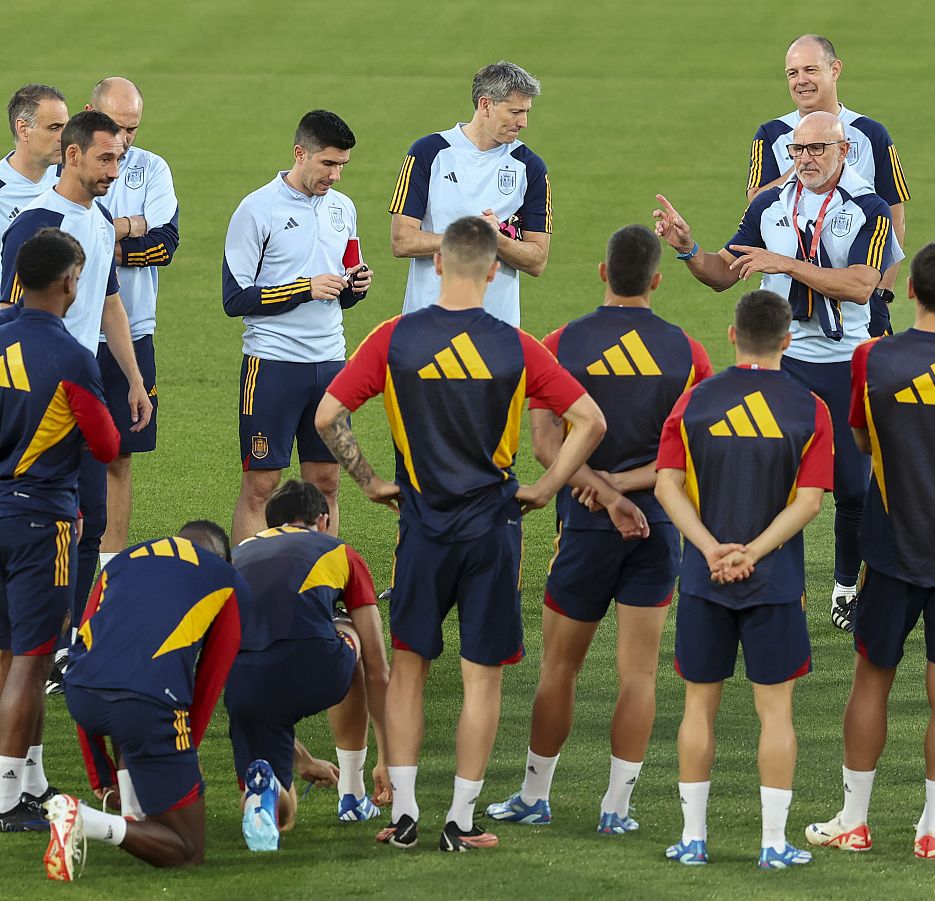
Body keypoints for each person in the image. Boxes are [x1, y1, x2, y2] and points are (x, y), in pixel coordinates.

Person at [315, 216, 605, 852]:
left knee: (410, 669)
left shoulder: (393, 339)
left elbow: (328, 413)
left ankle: (406, 815)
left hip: (421, 528)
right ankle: (462, 820)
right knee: (483, 678)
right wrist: (546, 487)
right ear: (495, 268)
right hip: (493, 528)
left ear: (439, 265)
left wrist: (366, 481)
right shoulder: (519, 346)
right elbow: (588, 420)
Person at [487, 225, 710, 832]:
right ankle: (617, 807)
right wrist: (632, 491)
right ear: (658, 281)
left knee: (560, 669)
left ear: (602, 272)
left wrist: (602, 491)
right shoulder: (690, 354)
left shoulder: (559, 343)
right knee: (638, 674)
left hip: (584, 527)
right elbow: (684, 457)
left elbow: (543, 443)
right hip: (658, 529)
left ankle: (535, 796)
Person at [806, 239, 935, 860]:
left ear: (914, 293)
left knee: (872, 679)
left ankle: (855, 820)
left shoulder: (872, 359)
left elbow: (863, 442)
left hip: (891, 548)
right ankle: (932, 831)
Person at [655, 108, 901, 633]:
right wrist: (689, 248)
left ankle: (844, 588)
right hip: (782, 362)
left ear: (843, 151)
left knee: (853, 487)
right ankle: (764, 577)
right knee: (769, 475)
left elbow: (862, 284)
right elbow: (725, 273)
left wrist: (785, 264)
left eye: (816, 149)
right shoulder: (769, 205)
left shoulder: (869, 208)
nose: (805, 160)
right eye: (796, 151)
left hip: (846, 361)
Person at [654, 289, 833, 868]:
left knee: (697, 709)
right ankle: (773, 843)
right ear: (787, 339)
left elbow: (665, 486)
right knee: (775, 714)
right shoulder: (810, 409)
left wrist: (709, 550)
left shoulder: (695, 403)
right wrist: (752, 553)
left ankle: (693, 839)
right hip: (775, 584)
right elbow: (808, 503)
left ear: (732, 336)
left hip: (704, 583)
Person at [0, 110, 151, 675]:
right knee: (40, 510)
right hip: (42, 390)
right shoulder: (37, 223)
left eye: (120, 157)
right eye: (106, 157)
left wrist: (133, 379)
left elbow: (111, 301)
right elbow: (7, 310)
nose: (115, 167)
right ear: (73, 155)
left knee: (87, 513)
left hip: (82, 381)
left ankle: (68, 640)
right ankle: (30, 638)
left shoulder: (100, 218)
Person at [42, 521, 248, 879]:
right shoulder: (228, 579)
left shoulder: (123, 562)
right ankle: (87, 820)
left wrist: (100, 773)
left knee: (126, 699)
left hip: (81, 695)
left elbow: (83, 653)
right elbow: (211, 679)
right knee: (188, 849)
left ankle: (133, 810)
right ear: (221, 558)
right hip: (144, 707)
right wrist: (186, 750)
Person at [0, 230, 119, 832]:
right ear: (71, 282)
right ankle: (4, 799)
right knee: (34, 659)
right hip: (38, 520)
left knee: (5, 652)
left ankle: (29, 778)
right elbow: (106, 444)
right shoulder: (73, 356)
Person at [224, 109, 369, 546]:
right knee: (261, 488)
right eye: (328, 164)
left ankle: (321, 588)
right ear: (299, 153)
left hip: (330, 365)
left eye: (342, 165)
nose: (336, 176)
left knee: (327, 484)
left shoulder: (344, 208)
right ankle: (248, 593)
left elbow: (342, 284)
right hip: (273, 366)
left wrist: (356, 286)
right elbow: (235, 298)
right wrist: (304, 288)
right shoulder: (256, 209)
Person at [227, 479, 390, 850]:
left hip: (244, 683)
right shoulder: (338, 550)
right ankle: (352, 794)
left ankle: (263, 795)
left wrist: (300, 760)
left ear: (270, 523)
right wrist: (390, 759)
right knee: (352, 632)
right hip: (313, 667)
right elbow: (379, 669)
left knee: (284, 814)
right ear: (323, 520)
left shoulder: (236, 554)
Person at [746, 35, 909, 337]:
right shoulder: (772, 134)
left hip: (858, 298)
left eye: (810, 70)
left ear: (835, 70)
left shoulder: (871, 133)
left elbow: (894, 214)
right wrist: (804, 162)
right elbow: (755, 203)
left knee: (868, 380)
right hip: (787, 305)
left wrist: (884, 289)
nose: (801, 81)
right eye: (792, 73)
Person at [87, 77, 179, 561]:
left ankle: (108, 566)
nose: (125, 139)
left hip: (133, 329)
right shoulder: (71, 164)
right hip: (73, 332)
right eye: (116, 127)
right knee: (58, 451)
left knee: (120, 453)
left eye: (133, 129)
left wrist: (101, 240)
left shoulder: (153, 169)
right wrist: (126, 228)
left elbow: (164, 244)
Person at [390, 60, 551, 327]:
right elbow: (401, 240)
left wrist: (496, 240)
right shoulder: (429, 152)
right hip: (426, 324)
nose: (523, 122)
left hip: (496, 329)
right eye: (515, 112)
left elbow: (537, 260)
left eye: (526, 112)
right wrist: (469, 237)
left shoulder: (530, 166)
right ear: (486, 105)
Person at [0, 84, 65, 227]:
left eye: (66, 127)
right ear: (23, 130)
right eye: (54, 128)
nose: (64, 137)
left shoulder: (71, 176)